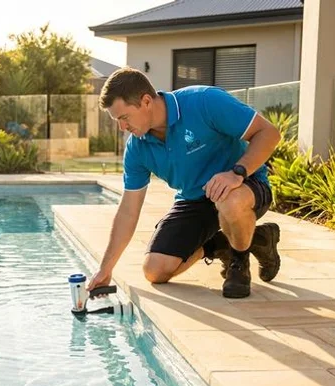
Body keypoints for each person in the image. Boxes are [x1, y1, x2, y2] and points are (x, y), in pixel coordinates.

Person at [85, 67, 282, 299]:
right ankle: (254, 239)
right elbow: (129, 210)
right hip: (194, 199)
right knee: (154, 270)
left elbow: (269, 133)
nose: (122, 128)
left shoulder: (204, 101)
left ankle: (239, 263)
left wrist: (237, 173)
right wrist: (105, 269)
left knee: (229, 201)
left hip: (244, 184)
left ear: (146, 101)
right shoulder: (137, 149)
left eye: (124, 118)